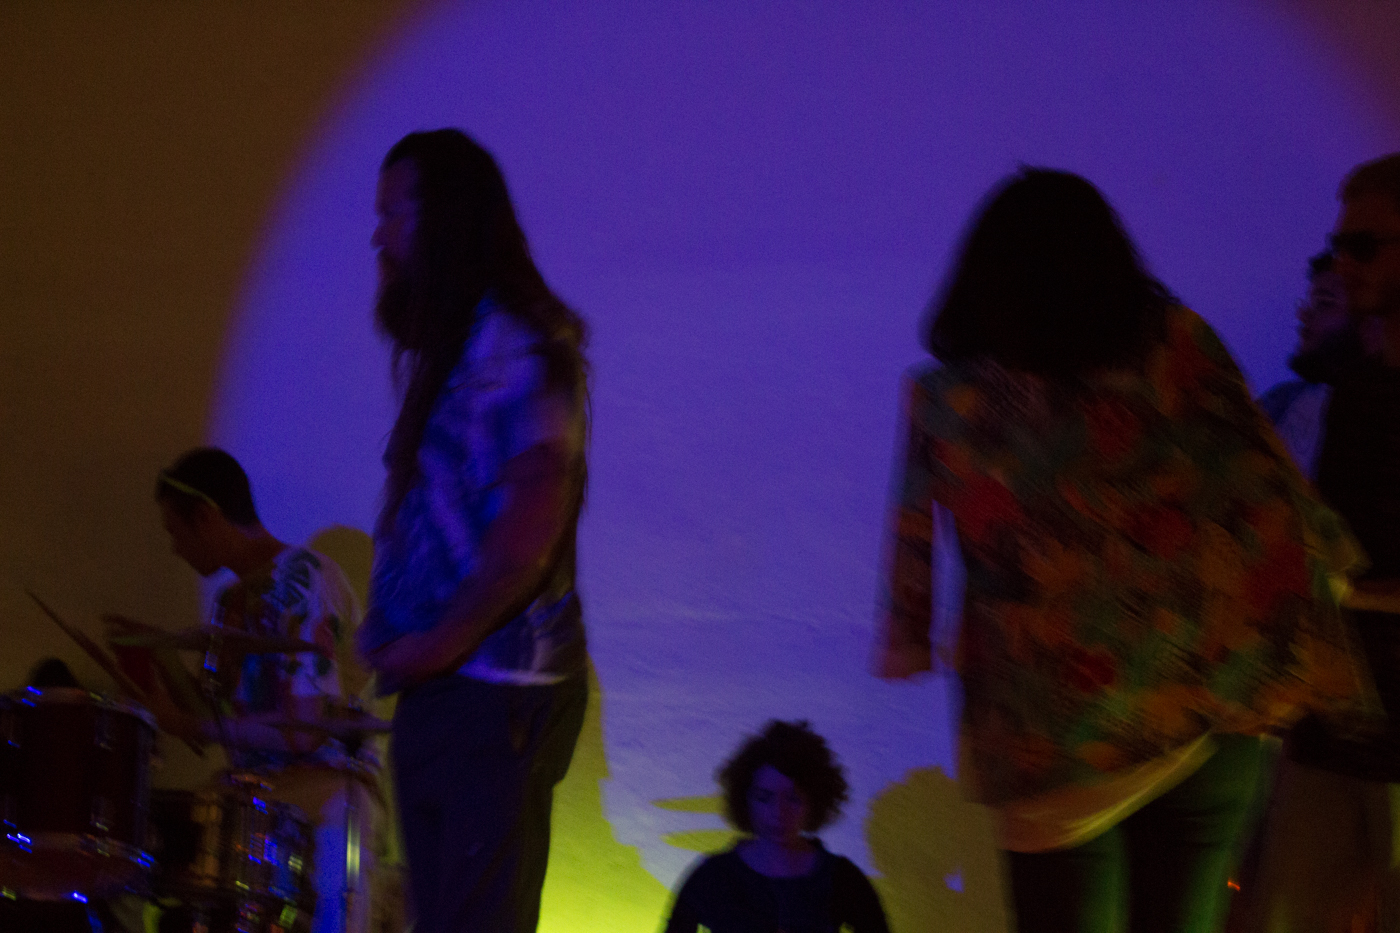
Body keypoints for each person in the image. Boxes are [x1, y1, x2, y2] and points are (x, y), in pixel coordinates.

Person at [874, 168, 1370, 933]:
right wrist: (1324, 591)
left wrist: (910, 632)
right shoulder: (1179, 349)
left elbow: (913, 552)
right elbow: (1267, 490)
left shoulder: (946, 399)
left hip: (1047, 733)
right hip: (1201, 696)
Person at [356, 129, 590, 933]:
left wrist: (440, 641)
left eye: (393, 212)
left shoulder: (514, 345)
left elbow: (534, 517)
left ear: (445, 218)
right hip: (449, 688)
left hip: (493, 688)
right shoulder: (459, 350)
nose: (378, 236)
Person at [1239, 153, 1400, 933]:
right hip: (1328, 728)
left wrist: (1348, 590)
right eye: (1339, 245)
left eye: (1364, 245)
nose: (1343, 262)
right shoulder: (1337, 389)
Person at [120, 446, 374, 933]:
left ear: (205, 516)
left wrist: (186, 723)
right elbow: (218, 722)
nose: (174, 548)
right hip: (257, 797)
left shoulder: (304, 576)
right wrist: (156, 665)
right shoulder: (230, 601)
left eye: (175, 531)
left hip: (320, 790)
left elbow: (303, 733)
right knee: (148, 862)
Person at [663, 720, 890, 933]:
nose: (778, 813)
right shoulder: (714, 877)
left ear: (814, 802)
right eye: (764, 798)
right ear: (746, 799)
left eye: (793, 798)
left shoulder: (842, 879)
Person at [1257, 252, 1368, 478]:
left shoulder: (1378, 420)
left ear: (1371, 323)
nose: (1303, 315)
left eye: (1324, 303)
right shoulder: (1281, 400)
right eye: (1308, 303)